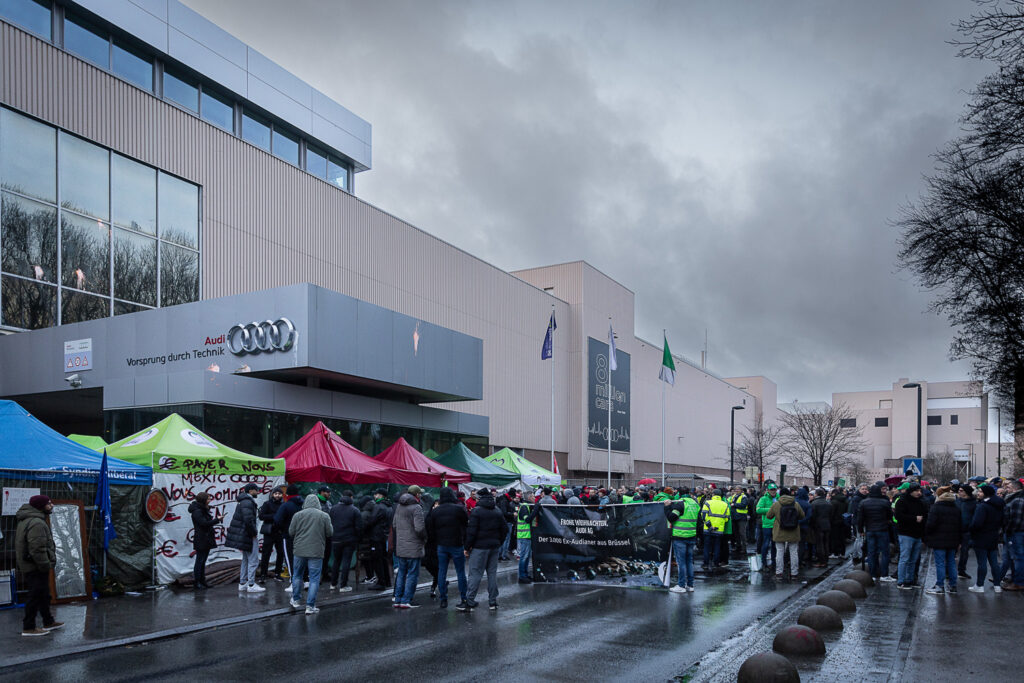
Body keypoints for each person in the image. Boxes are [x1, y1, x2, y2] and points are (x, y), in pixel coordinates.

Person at [15, 495, 64, 636]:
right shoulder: (37, 523)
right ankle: (29, 627)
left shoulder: (29, 520)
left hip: (32, 565)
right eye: (49, 503)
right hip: (35, 566)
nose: (52, 505)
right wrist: (45, 565)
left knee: (43, 595)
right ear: (41, 506)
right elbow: (37, 548)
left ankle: (48, 621)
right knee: (35, 596)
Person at [462, 488, 507, 610]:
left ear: (480, 498)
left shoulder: (477, 511)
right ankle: (493, 601)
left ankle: (470, 601)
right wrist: (499, 542)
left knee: (475, 574)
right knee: (492, 574)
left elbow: (471, 531)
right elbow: (505, 529)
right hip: (494, 547)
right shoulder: (497, 510)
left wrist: (467, 547)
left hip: (479, 547)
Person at [288, 494, 332, 614]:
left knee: (297, 575)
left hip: (299, 550)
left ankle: (296, 600)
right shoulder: (324, 516)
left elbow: (291, 532)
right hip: (316, 551)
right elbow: (330, 533)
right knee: (314, 579)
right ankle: (310, 606)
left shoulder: (298, 515)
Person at [427, 486, 469, 608]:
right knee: (460, 572)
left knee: (442, 572)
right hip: (456, 543)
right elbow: (466, 524)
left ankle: (443, 599)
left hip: (441, 544)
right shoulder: (459, 509)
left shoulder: (435, 511)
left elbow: (431, 529)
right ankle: (463, 598)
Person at [226, 483, 265, 594]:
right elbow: (248, 520)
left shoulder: (243, 501)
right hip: (248, 534)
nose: (258, 492)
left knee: (246, 559)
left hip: (243, 534)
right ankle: (251, 584)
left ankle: (243, 583)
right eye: (257, 490)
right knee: (253, 560)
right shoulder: (248, 502)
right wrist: (253, 532)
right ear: (251, 490)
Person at [392, 485, 427, 609]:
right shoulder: (417, 507)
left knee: (401, 573)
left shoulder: (399, 506)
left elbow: (394, 525)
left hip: (401, 546)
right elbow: (419, 528)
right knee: (412, 574)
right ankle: (406, 600)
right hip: (413, 546)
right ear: (417, 494)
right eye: (420, 493)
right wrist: (424, 538)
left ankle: (397, 599)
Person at [924, 486, 962, 595]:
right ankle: (953, 585)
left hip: (938, 539)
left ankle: (940, 585)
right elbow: (960, 526)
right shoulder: (956, 508)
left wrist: (928, 536)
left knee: (940, 563)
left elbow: (930, 524)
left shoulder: (936, 508)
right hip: (953, 540)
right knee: (951, 562)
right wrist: (960, 541)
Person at [968, 484, 1005, 593]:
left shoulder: (983, 506)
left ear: (986, 493)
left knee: (982, 563)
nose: (978, 493)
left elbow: (977, 523)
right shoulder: (999, 505)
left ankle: (979, 585)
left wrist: (971, 530)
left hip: (981, 537)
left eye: (980, 491)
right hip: (993, 536)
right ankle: (997, 585)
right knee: (994, 562)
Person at [857, 484, 895, 582]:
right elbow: (890, 516)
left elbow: (860, 518)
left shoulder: (863, 502)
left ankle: (873, 574)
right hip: (882, 529)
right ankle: (884, 574)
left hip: (870, 530)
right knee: (885, 553)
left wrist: (860, 530)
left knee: (871, 553)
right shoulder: (885, 502)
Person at [893, 482, 928, 589]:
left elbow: (925, 517)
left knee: (914, 559)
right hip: (905, 533)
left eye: (920, 491)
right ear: (911, 491)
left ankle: (910, 579)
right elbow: (898, 516)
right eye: (916, 491)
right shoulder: (902, 501)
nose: (919, 493)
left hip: (917, 534)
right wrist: (914, 518)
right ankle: (901, 581)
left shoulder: (921, 502)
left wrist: (923, 535)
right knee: (905, 558)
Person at [667, 487, 700, 592]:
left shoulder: (681, 504)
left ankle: (681, 586)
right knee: (689, 562)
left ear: (679, 494)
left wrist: (666, 508)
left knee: (681, 562)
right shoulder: (695, 504)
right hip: (691, 535)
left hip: (680, 536)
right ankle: (690, 585)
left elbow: (671, 517)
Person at [766, 486, 805, 579]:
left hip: (779, 531)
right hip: (793, 531)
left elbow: (769, 516)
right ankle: (794, 573)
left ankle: (779, 573)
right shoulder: (796, 504)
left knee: (779, 552)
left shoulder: (776, 504)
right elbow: (802, 516)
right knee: (794, 552)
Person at [328, 490, 362, 592]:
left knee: (336, 561)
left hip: (335, 539)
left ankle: (333, 584)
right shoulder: (355, 510)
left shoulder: (333, 509)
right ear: (351, 497)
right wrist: (358, 539)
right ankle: (343, 585)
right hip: (349, 539)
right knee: (346, 561)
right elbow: (359, 527)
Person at [998, 479, 1024, 590]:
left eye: (1008, 488)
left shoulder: (1017, 500)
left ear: (1014, 488)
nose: (1006, 490)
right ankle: (1013, 579)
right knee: (1011, 557)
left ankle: (1019, 582)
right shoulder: (1013, 499)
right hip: (1014, 532)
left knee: (1018, 558)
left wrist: (1008, 530)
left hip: (1015, 533)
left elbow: (1015, 519)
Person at [274, 484, 305, 577]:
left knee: (290, 558)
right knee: (303, 557)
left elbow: (277, 520)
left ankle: (293, 581)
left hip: (288, 535)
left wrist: (282, 530)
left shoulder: (286, 506)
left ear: (287, 495)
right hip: (303, 535)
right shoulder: (304, 505)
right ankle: (306, 580)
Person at [189, 491, 218, 590]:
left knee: (203, 560)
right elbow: (204, 523)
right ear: (204, 500)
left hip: (205, 538)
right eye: (208, 499)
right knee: (200, 561)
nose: (210, 500)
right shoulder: (198, 511)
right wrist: (217, 520)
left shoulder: (201, 509)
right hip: (202, 538)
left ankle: (202, 580)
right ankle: (197, 582)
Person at [364, 489, 393, 591]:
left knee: (377, 559)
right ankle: (387, 580)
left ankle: (381, 582)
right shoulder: (389, 507)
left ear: (381, 495)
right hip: (384, 536)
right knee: (384, 559)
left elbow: (372, 520)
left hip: (376, 536)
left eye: (376, 494)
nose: (375, 496)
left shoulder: (378, 507)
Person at [257, 486, 285, 582]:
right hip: (269, 532)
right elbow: (261, 516)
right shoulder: (267, 504)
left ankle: (277, 573)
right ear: (272, 494)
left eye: (279, 494)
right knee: (266, 553)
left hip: (280, 532)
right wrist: (275, 516)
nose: (277, 495)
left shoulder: (283, 505)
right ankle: (263, 574)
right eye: (276, 493)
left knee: (281, 553)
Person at [700, 489, 730, 569]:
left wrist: (709, 525)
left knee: (707, 547)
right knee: (717, 547)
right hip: (719, 529)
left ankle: (706, 563)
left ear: (713, 494)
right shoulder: (725, 504)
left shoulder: (708, 503)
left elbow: (703, 516)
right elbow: (727, 518)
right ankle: (716, 563)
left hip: (707, 529)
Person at [515, 490, 540, 584]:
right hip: (524, 536)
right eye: (533, 497)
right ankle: (522, 576)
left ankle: (525, 575)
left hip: (527, 536)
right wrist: (536, 510)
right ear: (529, 497)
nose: (535, 498)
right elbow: (528, 520)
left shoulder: (528, 506)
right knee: (524, 557)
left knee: (526, 556)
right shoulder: (524, 507)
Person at [955, 484, 977, 579]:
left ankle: (961, 570)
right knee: (952, 551)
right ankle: (949, 571)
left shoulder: (974, 503)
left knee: (964, 551)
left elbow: (975, 517)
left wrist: (971, 527)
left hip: (967, 530)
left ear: (967, 492)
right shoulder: (957, 501)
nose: (959, 492)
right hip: (955, 529)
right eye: (959, 490)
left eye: (961, 490)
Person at [755, 484, 779, 571]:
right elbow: (758, 510)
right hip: (767, 525)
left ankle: (774, 562)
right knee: (766, 543)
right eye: (771, 489)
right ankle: (764, 562)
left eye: (774, 489)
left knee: (774, 545)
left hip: (776, 525)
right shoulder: (763, 498)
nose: (773, 491)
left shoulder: (778, 498)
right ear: (768, 490)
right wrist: (771, 509)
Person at [809, 488, 833, 568]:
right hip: (827, 525)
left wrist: (812, 525)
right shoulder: (828, 503)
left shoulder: (814, 503)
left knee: (819, 544)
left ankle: (821, 561)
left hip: (818, 526)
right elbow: (831, 515)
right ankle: (826, 560)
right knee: (826, 543)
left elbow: (812, 516)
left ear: (816, 494)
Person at [729, 487, 750, 553]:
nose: (736, 491)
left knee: (742, 533)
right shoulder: (734, 496)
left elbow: (743, 505)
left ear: (741, 490)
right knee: (736, 533)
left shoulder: (744, 497)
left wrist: (734, 505)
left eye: (738, 489)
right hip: (735, 517)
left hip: (741, 517)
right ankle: (738, 547)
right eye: (736, 490)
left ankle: (744, 548)